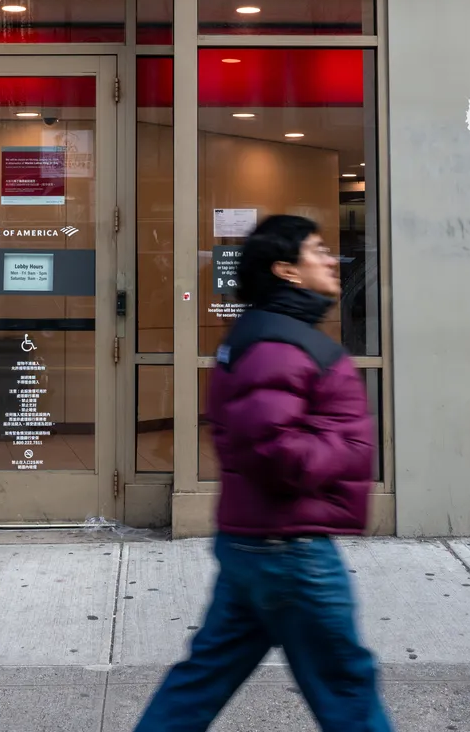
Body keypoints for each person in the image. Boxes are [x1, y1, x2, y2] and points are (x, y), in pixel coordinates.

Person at [133, 214, 392, 732]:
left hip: (257, 545)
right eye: (316, 250)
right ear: (286, 270)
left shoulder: (271, 336)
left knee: (202, 680)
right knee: (347, 687)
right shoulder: (278, 346)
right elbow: (273, 449)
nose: (330, 259)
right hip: (290, 552)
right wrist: (351, 446)